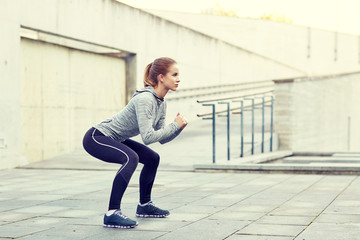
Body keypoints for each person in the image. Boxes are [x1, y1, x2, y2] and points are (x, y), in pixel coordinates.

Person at [82, 57, 187, 229]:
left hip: (114, 138)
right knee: (131, 158)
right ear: (161, 77)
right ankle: (112, 213)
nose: (178, 79)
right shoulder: (145, 99)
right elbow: (147, 137)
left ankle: (145, 205)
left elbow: (161, 138)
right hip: (97, 137)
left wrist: (177, 128)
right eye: (174, 74)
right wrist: (175, 125)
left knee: (153, 158)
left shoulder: (161, 102)